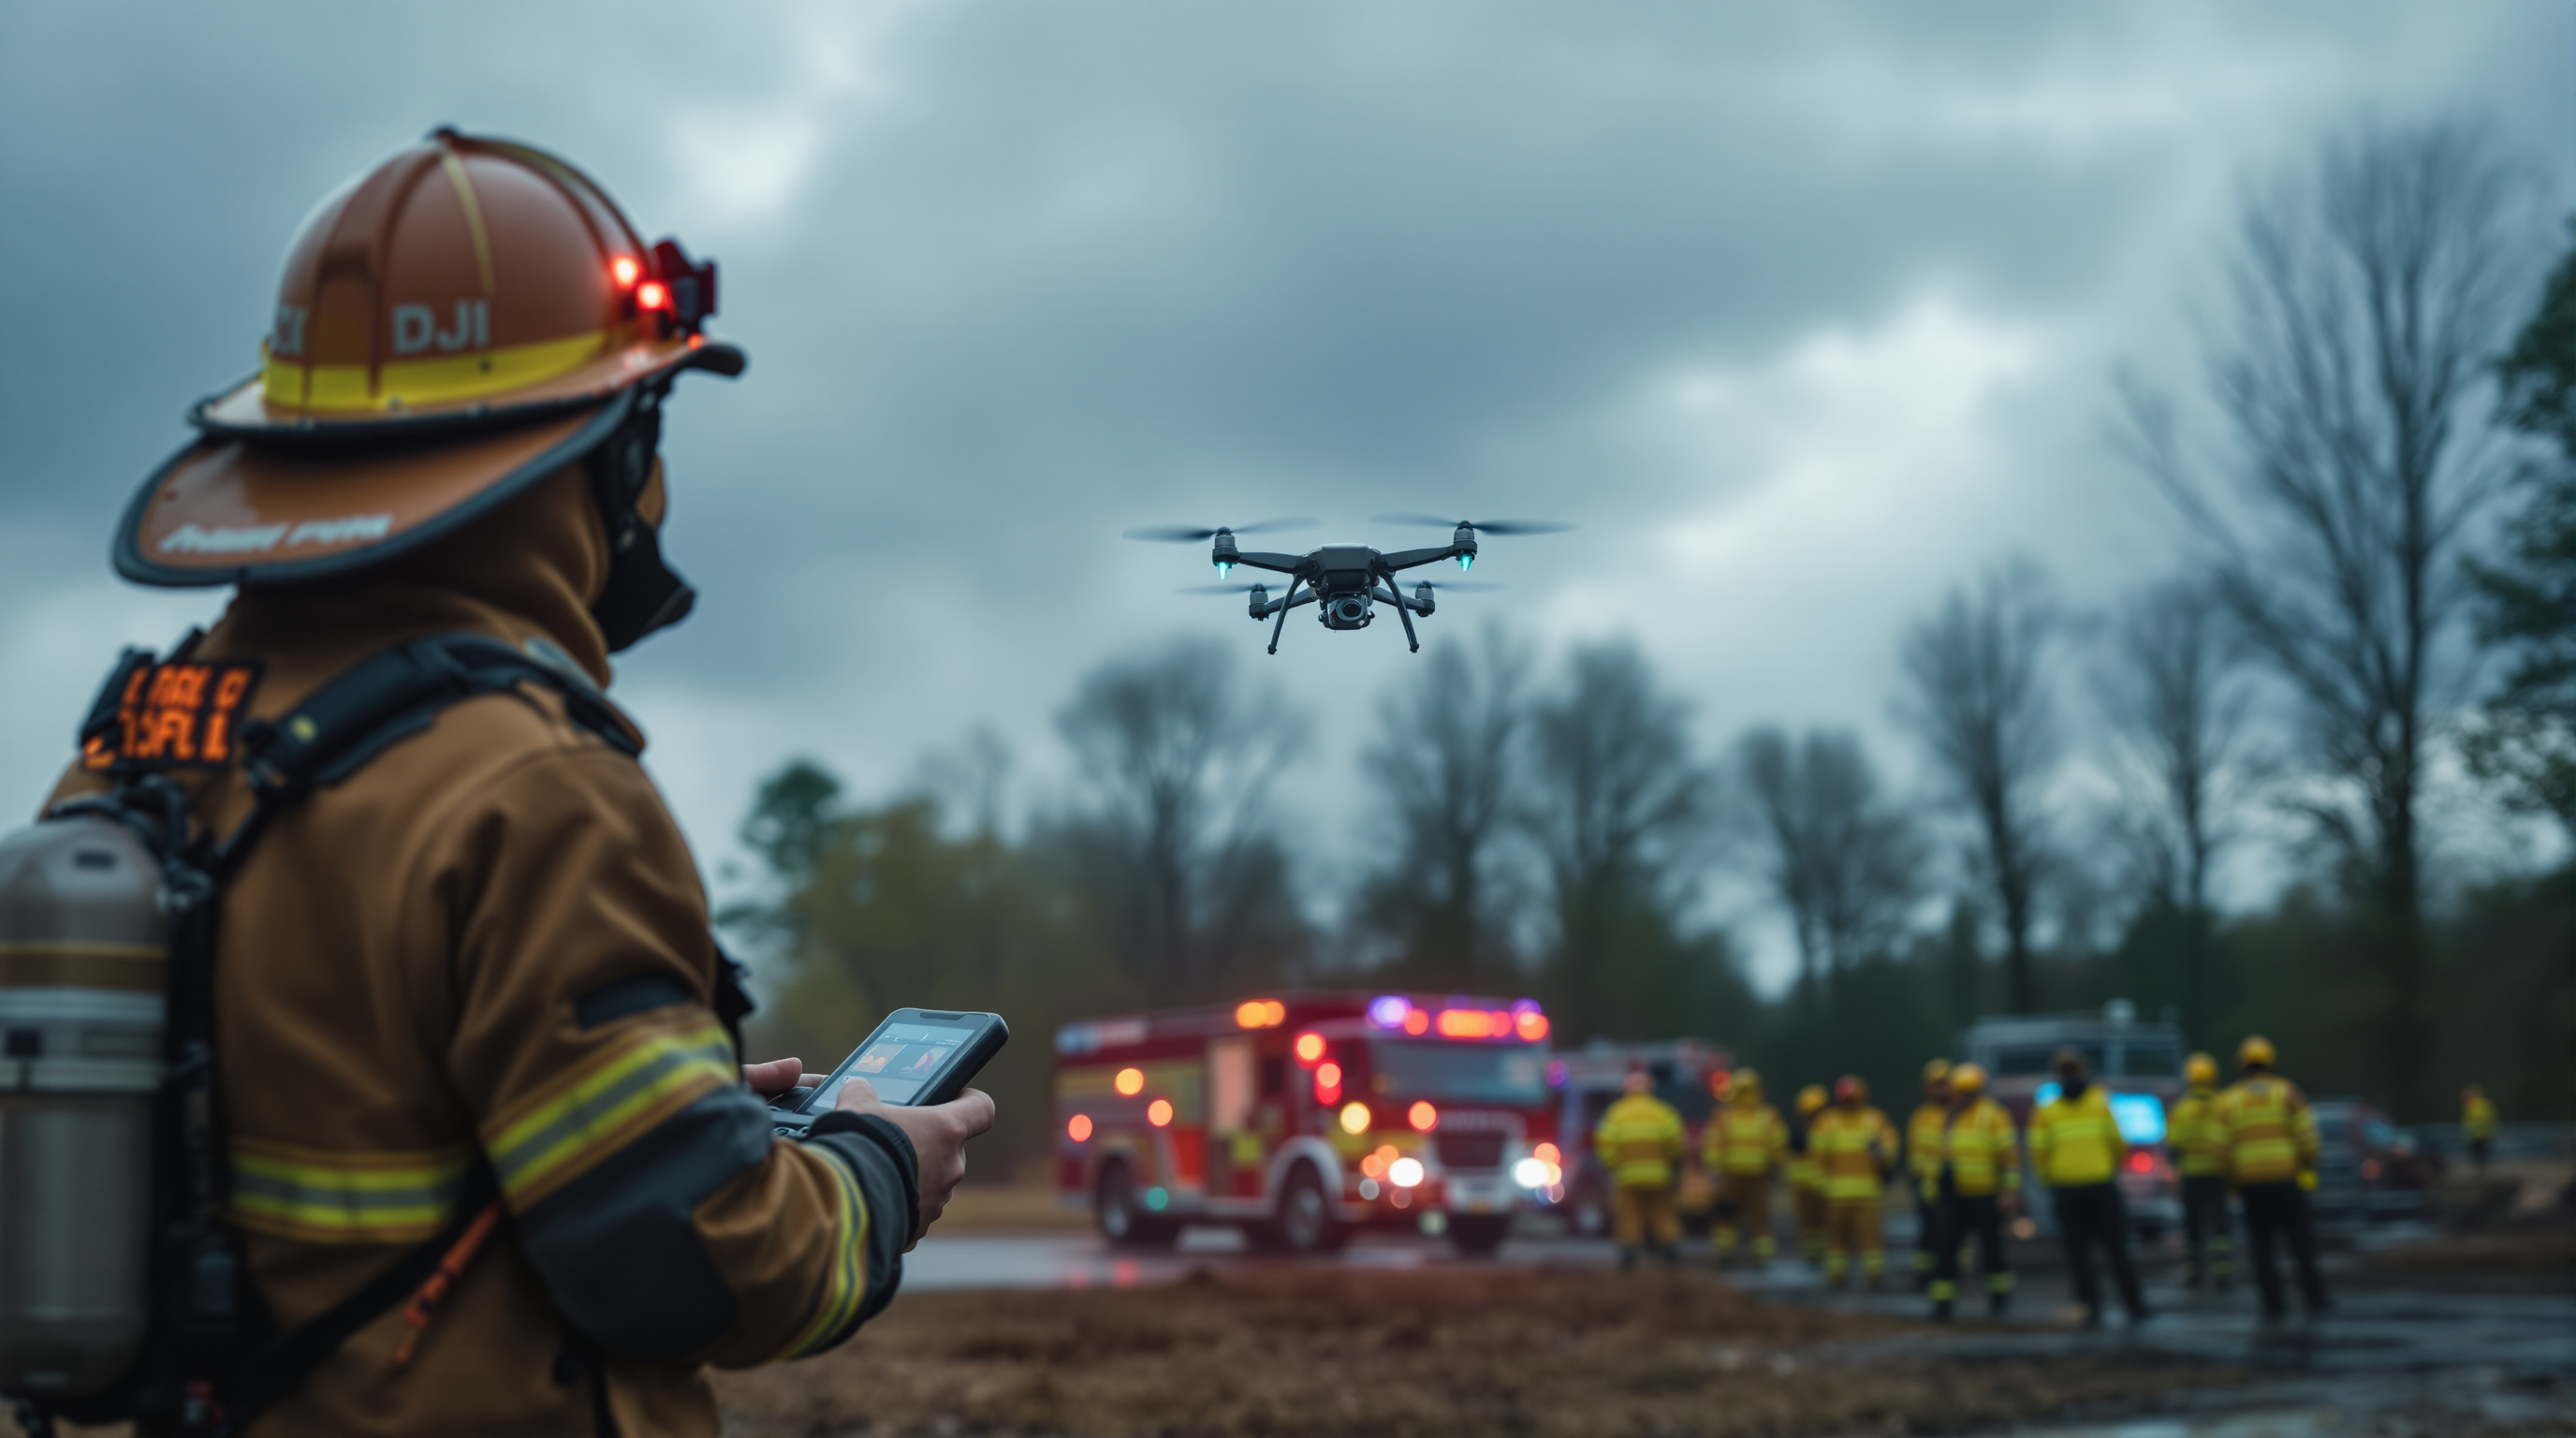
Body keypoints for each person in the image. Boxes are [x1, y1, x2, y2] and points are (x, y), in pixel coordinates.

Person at [41, 131, 992, 1434]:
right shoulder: (530, 790)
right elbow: (713, 1267)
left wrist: (683, 1112)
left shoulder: (140, 744)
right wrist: (882, 1169)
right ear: (595, 454)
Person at [2029, 1049, 2148, 1328]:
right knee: (2115, 1249)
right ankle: (2135, 1308)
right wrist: (2108, 1168)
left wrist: (2051, 1179)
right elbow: (2119, 1143)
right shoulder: (2099, 1103)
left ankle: (2092, 1308)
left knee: (2080, 1253)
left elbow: (2038, 1154)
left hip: (2069, 1190)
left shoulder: (2048, 1112)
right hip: (2099, 1186)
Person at [2217, 1035, 2328, 1324]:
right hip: (2286, 1181)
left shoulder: (2230, 1100)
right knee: (2301, 1245)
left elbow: (2221, 1150)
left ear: (2242, 1065)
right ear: (2271, 1062)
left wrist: (2232, 1183)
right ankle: (2315, 1300)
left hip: (2251, 1186)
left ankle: (2273, 1305)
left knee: (2262, 1250)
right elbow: (2309, 1140)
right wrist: (2307, 1168)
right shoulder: (2287, 1093)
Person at [1926, 1063, 2018, 1320]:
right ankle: (1942, 1304)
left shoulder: (1994, 1116)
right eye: (1960, 1092)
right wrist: (1936, 1189)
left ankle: (1999, 1301)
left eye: (1969, 1092)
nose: (1964, 1097)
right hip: (1956, 1197)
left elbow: (2009, 1158)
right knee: (1947, 1249)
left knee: (1992, 1249)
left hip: (1986, 1196)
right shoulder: (1950, 1117)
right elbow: (1941, 1157)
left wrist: (2009, 1191)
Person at [1595, 1064, 1687, 1269]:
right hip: (1659, 1177)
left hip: (1627, 1177)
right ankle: (1670, 1247)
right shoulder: (1664, 1112)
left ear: (1627, 1088)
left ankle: (1629, 1251)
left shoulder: (1616, 1113)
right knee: (1663, 1213)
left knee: (1629, 1215)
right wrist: (1673, 1166)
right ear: (1649, 1088)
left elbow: (1604, 1144)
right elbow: (1677, 1144)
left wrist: (1613, 1166)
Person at [1809, 1076, 1896, 1289]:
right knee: (1838, 1241)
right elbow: (1817, 1159)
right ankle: (1837, 1278)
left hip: (1863, 1195)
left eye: (1852, 1098)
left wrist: (1882, 1152)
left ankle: (1874, 1277)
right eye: (1846, 1099)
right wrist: (1822, 1186)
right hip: (1840, 1196)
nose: (1849, 1102)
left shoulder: (1874, 1120)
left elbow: (1891, 1149)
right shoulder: (1828, 1122)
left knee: (1869, 1241)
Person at [1703, 1067, 1788, 1267]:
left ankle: (1725, 1256)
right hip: (1758, 1177)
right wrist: (1777, 1169)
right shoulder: (1768, 1115)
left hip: (1731, 1177)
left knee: (1726, 1218)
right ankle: (1762, 1258)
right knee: (1760, 1218)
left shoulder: (1723, 1115)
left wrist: (1715, 1170)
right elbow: (1778, 1145)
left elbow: (1713, 1144)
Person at [2168, 1052, 2233, 1290]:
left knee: (2192, 1229)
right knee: (2220, 1229)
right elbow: (2231, 1139)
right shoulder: (2224, 1104)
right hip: (2217, 1176)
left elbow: (2173, 1144)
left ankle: (2193, 1275)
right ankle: (2223, 1275)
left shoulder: (2181, 1109)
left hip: (2191, 1178)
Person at [1905, 1059, 1954, 1288]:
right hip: (1927, 1186)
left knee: (1953, 1233)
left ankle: (1955, 1272)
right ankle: (1924, 1275)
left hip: (1955, 1187)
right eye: (1936, 1084)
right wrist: (1917, 1182)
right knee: (1928, 1233)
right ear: (1927, 1087)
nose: (1940, 1089)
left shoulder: (1959, 1114)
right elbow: (1915, 1154)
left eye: (1944, 1084)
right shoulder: (1920, 1118)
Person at [1789, 1084, 1833, 1265]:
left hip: (1823, 1186)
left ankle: (1824, 1253)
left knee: (1825, 1223)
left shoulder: (1829, 1129)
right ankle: (1812, 1255)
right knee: (1808, 1224)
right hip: (1803, 1186)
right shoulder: (1799, 1131)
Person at [2462, 1084, 2498, 1173]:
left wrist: (2471, 1132)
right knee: (2482, 1157)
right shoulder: (2485, 1104)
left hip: (2478, 1136)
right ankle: (2482, 1173)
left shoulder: (2475, 1105)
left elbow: (2479, 1121)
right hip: (2482, 1135)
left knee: (2479, 1157)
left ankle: (2481, 1174)